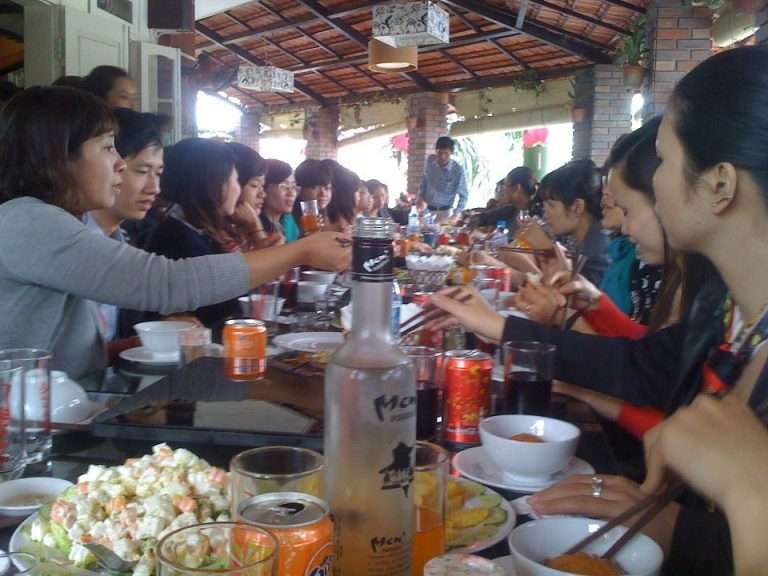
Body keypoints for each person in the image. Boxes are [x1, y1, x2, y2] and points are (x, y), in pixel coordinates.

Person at [429, 45, 768, 575]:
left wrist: (709, 510)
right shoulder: (726, 309)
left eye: (664, 158)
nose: (654, 183)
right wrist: (503, 327)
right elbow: (643, 365)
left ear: (720, 184)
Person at [0, 86, 351, 379]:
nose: (119, 163)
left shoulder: (78, 229)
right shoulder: (25, 222)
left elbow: (65, 353)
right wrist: (300, 251)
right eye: (107, 147)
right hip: (22, 427)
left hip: (62, 410)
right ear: (59, 156)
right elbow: (168, 283)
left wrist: (122, 347)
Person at [84, 108, 165, 343]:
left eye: (158, 173)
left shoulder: (127, 241)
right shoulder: (62, 241)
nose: (154, 188)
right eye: (142, 171)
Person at [538, 159, 611, 285]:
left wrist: (543, 245)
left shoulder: (597, 252)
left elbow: (581, 294)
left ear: (577, 207)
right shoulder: (587, 239)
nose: (545, 214)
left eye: (551, 205)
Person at [225, 142, 279, 251]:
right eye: (254, 185)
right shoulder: (218, 236)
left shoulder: (241, 228)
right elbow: (271, 260)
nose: (263, 194)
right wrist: (256, 228)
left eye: (263, 186)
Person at [418, 136, 468, 221]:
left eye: (446, 153)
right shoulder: (430, 162)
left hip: (445, 213)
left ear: (452, 152)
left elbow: (464, 196)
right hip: (426, 211)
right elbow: (424, 183)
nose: (442, 156)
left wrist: (456, 214)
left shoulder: (457, 171)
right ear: (436, 151)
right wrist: (420, 197)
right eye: (439, 153)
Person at [471, 166, 538, 229]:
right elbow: (483, 218)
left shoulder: (536, 218)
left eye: (506, 185)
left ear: (517, 189)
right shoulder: (510, 210)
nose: (504, 190)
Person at [261, 159, 300, 243]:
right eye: (284, 186)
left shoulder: (288, 222)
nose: (291, 193)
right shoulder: (255, 230)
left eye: (293, 186)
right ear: (264, 188)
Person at [293, 158, 332, 233]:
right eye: (314, 187)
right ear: (299, 189)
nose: (323, 193)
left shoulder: (326, 217)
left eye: (327, 188)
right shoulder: (289, 219)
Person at [326, 162, 363, 233]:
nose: (359, 196)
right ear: (347, 194)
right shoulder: (339, 225)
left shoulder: (345, 219)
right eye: (357, 191)